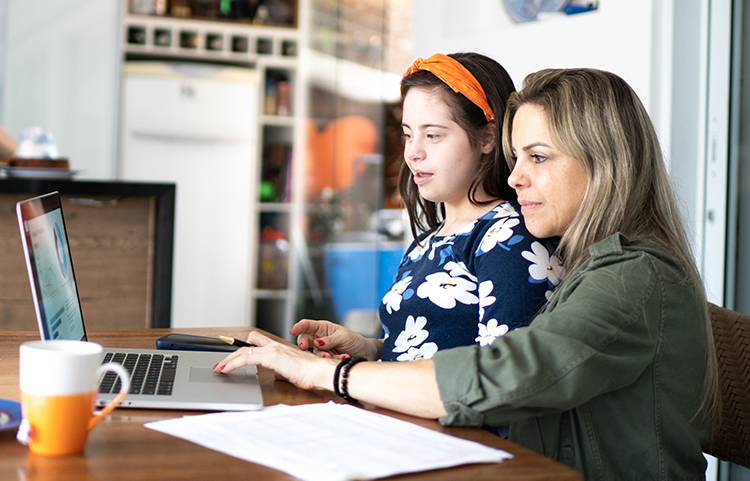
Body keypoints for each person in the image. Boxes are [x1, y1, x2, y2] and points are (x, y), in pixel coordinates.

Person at [215, 68, 718, 479]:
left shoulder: (633, 277)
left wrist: (328, 374)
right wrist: (372, 350)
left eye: (538, 157)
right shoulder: (601, 264)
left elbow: (507, 373)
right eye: (517, 156)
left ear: (607, 163)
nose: (516, 176)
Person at [295, 53, 558, 364]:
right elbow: (428, 347)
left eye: (433, 135)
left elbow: (499, 379)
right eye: (408, 135)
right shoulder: (430, 241)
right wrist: (370, 349)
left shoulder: (510, 237)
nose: (413, 153)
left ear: (488, 137)